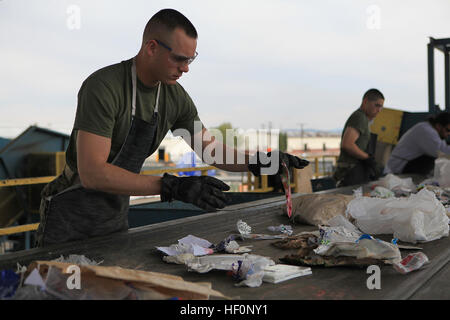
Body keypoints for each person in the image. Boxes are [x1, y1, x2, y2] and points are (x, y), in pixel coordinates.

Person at [36, 9, 309, 247]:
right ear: (151, 47)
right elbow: (93, 173)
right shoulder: (104, 87)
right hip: (69, 219)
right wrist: (171, 186)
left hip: (114, 219)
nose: (185, 69)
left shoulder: (174, 97)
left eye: (190, 60)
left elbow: (211, 149)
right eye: (179, 59)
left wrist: (259, 161)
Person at [333, 89, 384, 187]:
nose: (379, 110)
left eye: (381, 107)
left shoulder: (364, 119)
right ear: (365, 101)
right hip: (350, 171)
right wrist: (367, 158)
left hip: (356, 171)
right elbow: (347, 144)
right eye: (376, 105)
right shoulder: (359, 117)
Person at [384, 111, 450, 175]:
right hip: (398, 170)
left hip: (406, 167)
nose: (449, 134)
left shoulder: (435, 133)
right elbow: (442, 152)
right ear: (438, 126)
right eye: (448, 130)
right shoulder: (426, 131)